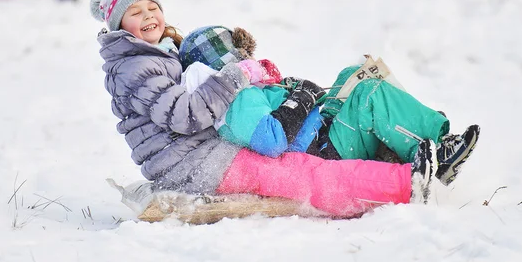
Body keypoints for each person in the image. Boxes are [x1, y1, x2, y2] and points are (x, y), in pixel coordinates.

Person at [91, 0, 444, 220]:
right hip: (195, 164)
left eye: (153, 7)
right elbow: (183, 115)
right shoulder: (136, 66)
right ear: (119, 25)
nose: (149, 15)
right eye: (136, 12)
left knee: (306, 159)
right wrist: (237, 77)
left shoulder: (154, 56)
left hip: (200, 155)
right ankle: (405, 184)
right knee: (304, 176)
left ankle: (427, 151)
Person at [179, 25, 480, 187]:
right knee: (366, 95)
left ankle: (408, 134)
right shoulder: (235, 101)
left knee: (350, 77)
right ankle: (437, 151)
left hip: (321, 132)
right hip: (323, 151)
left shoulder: (242, 90)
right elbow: (271, 140)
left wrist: (292, 89)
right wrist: (301, 99)